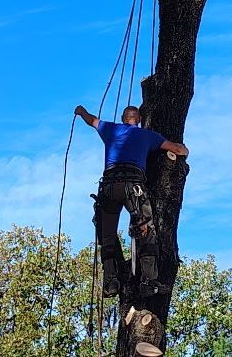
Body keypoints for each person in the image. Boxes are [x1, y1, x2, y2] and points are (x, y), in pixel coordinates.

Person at [75, 103, 188, 296]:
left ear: (122, 119)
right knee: (146, 231)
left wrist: (81, 111)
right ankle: (148, 281)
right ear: (140, 120)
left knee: (108, 236)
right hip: (133, 186)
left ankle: (111, 282)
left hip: (109, 186)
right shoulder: (148, 135)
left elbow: (91, 120)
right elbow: (177, 149)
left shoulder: (110, 128)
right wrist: (185, 150)